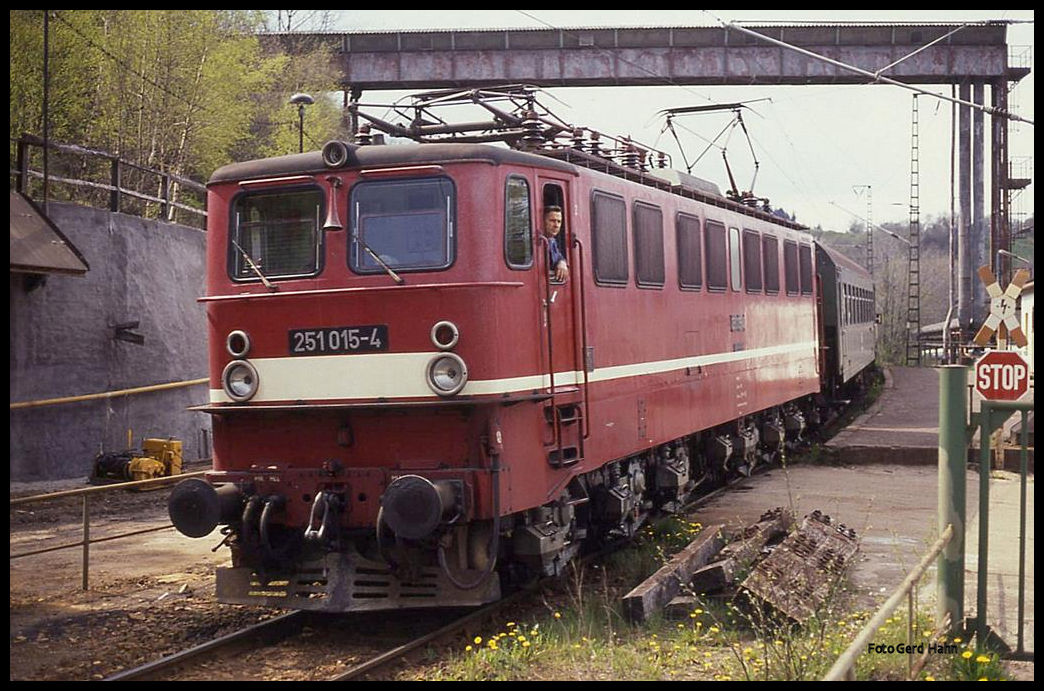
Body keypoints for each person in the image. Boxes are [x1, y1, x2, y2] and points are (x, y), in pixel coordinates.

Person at [543, 205, 569, 282]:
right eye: (552, 220)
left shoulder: (552, 241)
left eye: (559, 221)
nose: (556, 225)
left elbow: (559, 257)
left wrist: (562, 263)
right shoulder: (537, 241)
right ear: (543, 221)